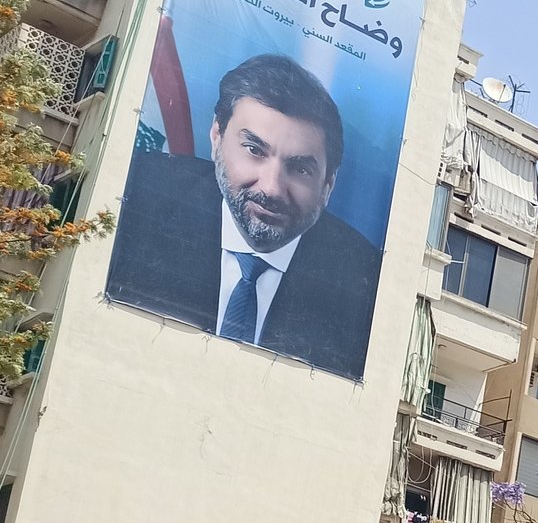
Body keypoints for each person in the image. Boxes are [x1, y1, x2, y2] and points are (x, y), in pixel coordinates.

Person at [105, 53, 383, 379]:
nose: (272, 187)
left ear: (328, 186)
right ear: (216, 137)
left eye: (300, 168)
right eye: (254, 150)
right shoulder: (139, 192)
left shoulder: (364, 281)